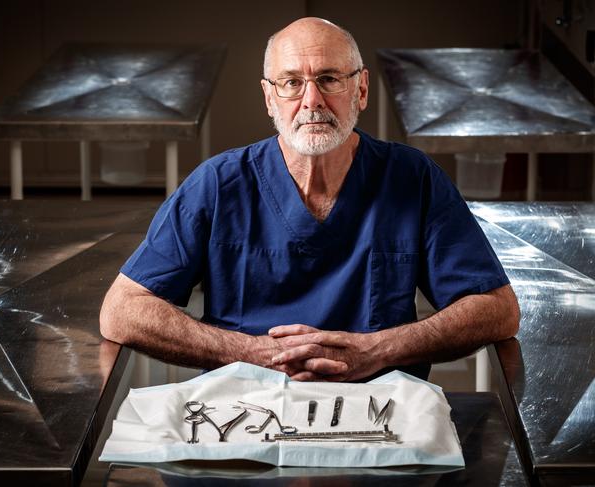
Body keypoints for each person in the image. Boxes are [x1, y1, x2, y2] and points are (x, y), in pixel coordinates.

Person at [100, 17, 519, 382]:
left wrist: (376, 350)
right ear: (269, 98)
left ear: (361, 90)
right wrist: (254, 353)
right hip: (243, 406)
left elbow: (497, 309)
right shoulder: (219, 184)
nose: (312, 100)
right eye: (291, 83)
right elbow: (122, 311)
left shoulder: (411, 178)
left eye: (329, 78)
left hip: (378, 406)